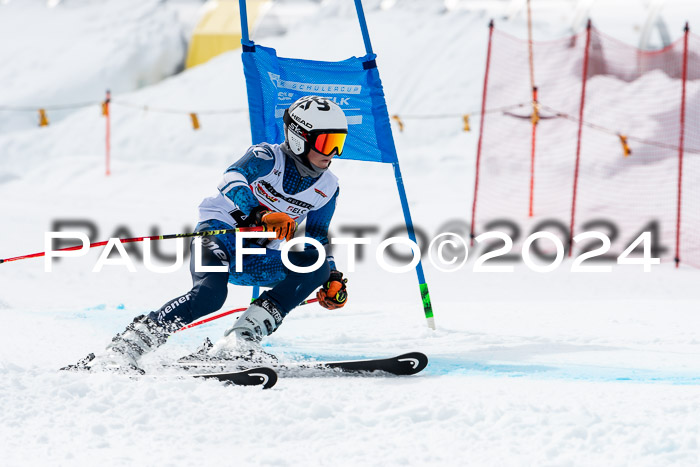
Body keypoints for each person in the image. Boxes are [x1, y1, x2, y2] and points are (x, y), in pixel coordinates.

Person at [69, 95, 350, 372]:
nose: (332, 153)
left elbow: (318, 237)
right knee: (208, 297)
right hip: (219, 237)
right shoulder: (266, 157)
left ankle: (239, 342)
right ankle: (126, 348)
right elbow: (230, 179)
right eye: (327, 143)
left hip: (255, 257)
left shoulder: (328, 186)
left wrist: (332, 278)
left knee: (316, 264)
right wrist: (260, 213)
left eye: (339, 144)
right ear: (299, 138)